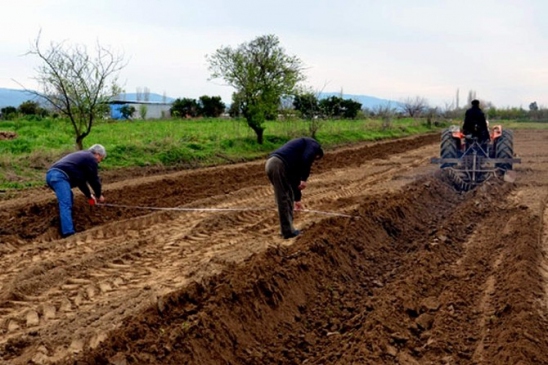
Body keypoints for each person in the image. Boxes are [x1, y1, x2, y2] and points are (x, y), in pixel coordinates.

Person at [265, 137, 324, 239]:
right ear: (317, 152)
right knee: (283, 198)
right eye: (315, 158)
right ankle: (287, 232)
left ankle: (289, 229)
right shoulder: (314, 145)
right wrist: (304, 178)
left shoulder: (294, 159)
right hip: (277, 164)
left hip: (275, 164)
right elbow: (307, 158)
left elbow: (294, 181)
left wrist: (297, 199)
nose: (313, 161)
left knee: (288, 196)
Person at [46, 144, 107, 238]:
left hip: (52, 175)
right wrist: (99, 195)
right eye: (101, 159)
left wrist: (89, 196)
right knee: (65, 203)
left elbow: (81, 182)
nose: (99, 162)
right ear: (97, 154)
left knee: (68, 197)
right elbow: (94, 180)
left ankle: (66, 225)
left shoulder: (83, 157)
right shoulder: (91, 158)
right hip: (59, 176)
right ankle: (68, 233)